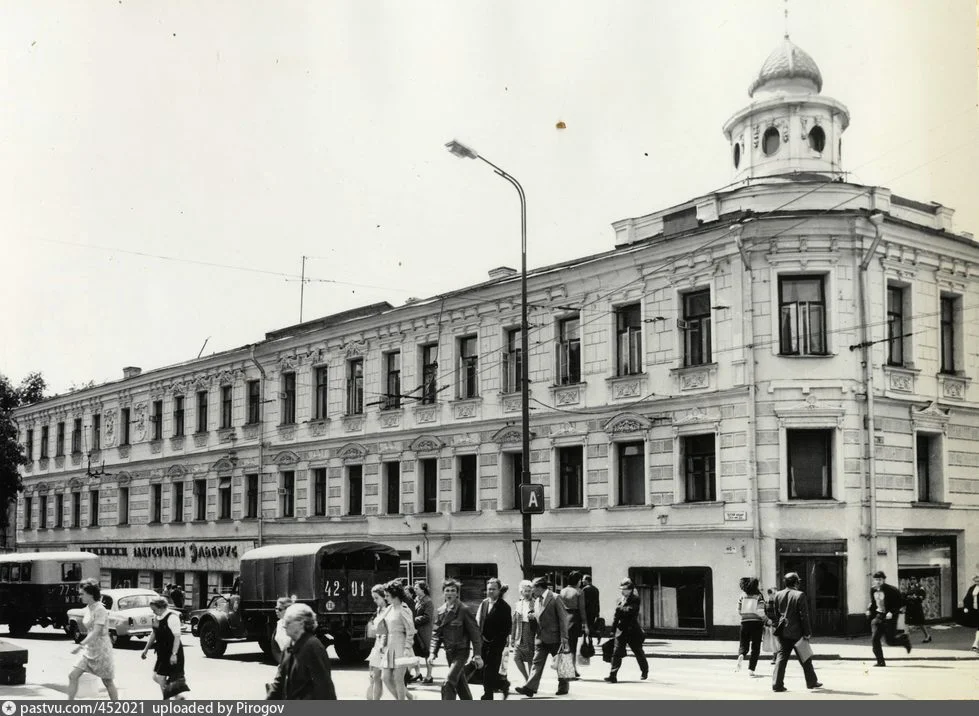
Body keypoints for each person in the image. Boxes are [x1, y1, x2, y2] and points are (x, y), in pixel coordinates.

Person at [266, 603, 337, 700]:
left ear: (301, 624)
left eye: (288, 621)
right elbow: (279, 683)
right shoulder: (288, 646)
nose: (284, 625)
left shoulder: (313, 647)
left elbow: (324, 687)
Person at [514, 577, 570, 698]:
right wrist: (533, 618)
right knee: (536, 663)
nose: (532, 590)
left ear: (539, 587)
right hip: (541, 638)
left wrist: (564, 637)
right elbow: (539, 617)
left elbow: (563, 618)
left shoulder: (555, 597)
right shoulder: (538, 600)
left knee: (561, 663)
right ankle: (530, 688)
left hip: (555, 637)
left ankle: (564, 686)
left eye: (533, 588)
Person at [428, 578, 482, 700]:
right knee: (460, 684)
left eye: (453, 590)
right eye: (447, 590)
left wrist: (477, 655)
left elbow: (475, 634)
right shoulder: (440, 611)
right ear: (443, 592)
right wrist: (432, 653)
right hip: (449, 653)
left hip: (461, 652)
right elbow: (436, 634)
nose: (450, 593)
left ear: (457, 593)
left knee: (449, 682)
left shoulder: (464, 610)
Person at [67, 579, 118, 700]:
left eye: (82, 594)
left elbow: (96, 631)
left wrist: (80, 645)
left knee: (108, 682)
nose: (80, 596)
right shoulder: (89, 608)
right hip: (89, 649)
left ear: (90, 594)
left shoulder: (100, 609)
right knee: (73, 675)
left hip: (101, 650)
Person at [771, 572, 821, 692]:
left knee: (781, 658)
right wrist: (807, 632)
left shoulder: (778, 594)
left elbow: (776, 614)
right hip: (797, 632)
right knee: (805, 657)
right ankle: (811, 682)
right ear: (796, 582)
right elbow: (804, 616)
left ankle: (777, 684)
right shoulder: (800, 595)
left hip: (783, 631)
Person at [141, 596, 187, 699]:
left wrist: (174, 654)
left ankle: (166, 700)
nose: (153, 612)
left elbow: (177, 637)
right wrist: (146, 649)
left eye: (154, 610)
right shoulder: (157, 617)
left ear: (161, 607)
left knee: (161, 677)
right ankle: (177, 696)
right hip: (162, 652)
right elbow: (154, 633)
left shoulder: (172, 617)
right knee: (155, 677)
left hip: (172, 652)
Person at [604, 578, 648, 684]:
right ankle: (612, 675)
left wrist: (620, 609)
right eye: (621, 589)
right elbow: (616, 617)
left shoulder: (635, 599)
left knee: (638, 651)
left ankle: (644, 671)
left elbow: (631, 610)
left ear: (630, 590)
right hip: (621, 630)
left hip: (632, 630)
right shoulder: (621, 600)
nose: (622, 591)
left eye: (624, 589)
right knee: (616, 653)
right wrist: (612, 630)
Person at [379, 580, 417, 701]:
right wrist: (382, 643)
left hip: (401, 645)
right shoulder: (389, 609)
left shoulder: (404, 609)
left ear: (395, 595)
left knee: (398, 679)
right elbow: (385, 627)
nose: (385, 598)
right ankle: (409, 698)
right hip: (390, 646)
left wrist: (407, 648)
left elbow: (410, 630)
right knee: (385, 677)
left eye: (387, 595)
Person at [477, 577, 513, 700]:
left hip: (496, 644)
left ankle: (488, 695)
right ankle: (503, 684)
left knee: (489, 669)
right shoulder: (484, 603)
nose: (490, 591)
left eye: (493, 589)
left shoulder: (504, 607)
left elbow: (507, 628)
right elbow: (479, 621)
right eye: (489, 589)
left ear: (499, 590)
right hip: (483, 642)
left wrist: (496, 641)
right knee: (483, 669)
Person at [866, 570, 911, 666]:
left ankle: (904, 640)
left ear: (884, 580)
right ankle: (880, 661)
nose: (878, 582)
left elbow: (901, 602)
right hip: (879, 616)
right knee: (875, 639)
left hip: (890, 617)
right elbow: (874, 603)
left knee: (890, 641)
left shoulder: (891, 590)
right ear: (874, 581)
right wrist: (869, 609)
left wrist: (892, 612)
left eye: (880, 579)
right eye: (876, 580)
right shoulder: (873, 590)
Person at [558, 571, 589, 679]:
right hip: (574, 619)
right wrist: (585, 624)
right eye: (580, 580)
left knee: (565, 646)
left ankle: (568, 669)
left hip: (563, 619)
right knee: (573, 647)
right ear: (578, 580)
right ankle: (572, 671)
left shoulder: (562, 591)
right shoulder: (579, 592)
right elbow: (582, 609)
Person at [736, 577, 768, 676]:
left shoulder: (742, 596)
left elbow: (738, 610)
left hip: (744, 623)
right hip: (757, 623)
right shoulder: (759, 596)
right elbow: (760, 611)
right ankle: (751, 669)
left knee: (743, 643)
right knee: (755, 646)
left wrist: (745, 616)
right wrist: (767, 620)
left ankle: (742, 654)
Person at [509, 579, 536, 684]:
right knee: (516, 657)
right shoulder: (518, 604)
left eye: (530, 591)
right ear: (521, 592)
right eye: (526, 591)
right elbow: (514, 622)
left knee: (530, 659)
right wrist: (512, 637)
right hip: (519, 633)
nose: (528, 593)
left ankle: (531, 682)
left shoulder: (535, 603)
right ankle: (527, 678)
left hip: (530, 631)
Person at [366, 584, 389, 701]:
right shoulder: (379, 609)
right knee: (376, 676)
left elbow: (387, 630)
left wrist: (382, 644)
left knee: (389, 679)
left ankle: (409, 697)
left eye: (376, 598)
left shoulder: (389, 610)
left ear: (384, 597)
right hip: (378, 643)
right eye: (373, 598)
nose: (375, 601)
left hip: (385, 645)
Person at [411, 580, 435, 684]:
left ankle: (429, 676)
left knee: (426, 653)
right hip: (417, 629)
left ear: (423, 589)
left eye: (416, 588)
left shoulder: (428, 601)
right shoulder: (417, 600)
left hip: (424, 630)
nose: (414, 590)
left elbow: (428, 617)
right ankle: (417, 673)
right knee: (415, 652)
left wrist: (414, 620)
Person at [902, 576, 932, 643]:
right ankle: (906, 638)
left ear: (917, 580)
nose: (912, 580)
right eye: (911, 579)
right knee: (907, 622)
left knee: (920, 622)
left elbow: (922, 596)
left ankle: (927, 636)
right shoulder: (909, 587)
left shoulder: (920, 587)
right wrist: (907, 596)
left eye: (914, 579)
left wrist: (915, 597)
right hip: (909, 606)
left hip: (917, 607)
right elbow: (906, 595)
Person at [273, 596, 297, 663]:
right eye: (276, 608)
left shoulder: (294, 624)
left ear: (288, 609)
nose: (277, 611)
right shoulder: (279, 623)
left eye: (280, 609)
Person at [961, 574, 979, 651]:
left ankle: (975, 644)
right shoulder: (972, 588)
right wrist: (966, 607)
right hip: (975, 610)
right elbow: (967, 598)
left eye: (978, 581)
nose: (976, 582)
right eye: (975, 581)